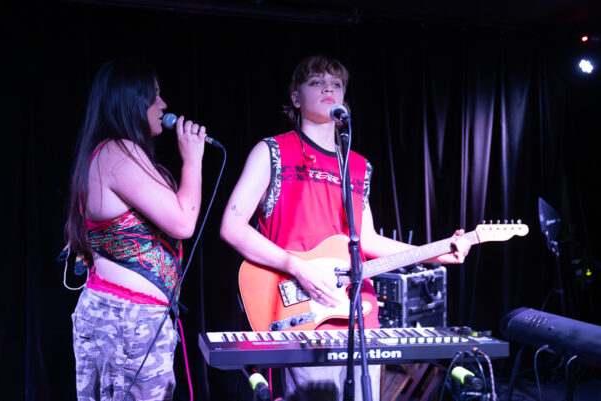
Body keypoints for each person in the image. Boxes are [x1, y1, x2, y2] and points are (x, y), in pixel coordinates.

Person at [219, 54, 471, 401]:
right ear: (295, 97)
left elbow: (367, 240)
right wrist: (298, 267)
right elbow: (232, 227)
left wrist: (437, 253)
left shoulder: (358, 165)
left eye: (336, 84)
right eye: (316, 82)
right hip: (302, 311)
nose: (328, 88)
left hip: (358, 311)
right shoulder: (272, 151)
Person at [63, 57, 207, 401]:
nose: (164, 105)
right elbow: (183, 222)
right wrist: (193, 160)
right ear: (131, 100)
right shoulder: (118, 151)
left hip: (124, 318)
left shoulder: (107, 152)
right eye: (154, 95)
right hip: (128, 320)